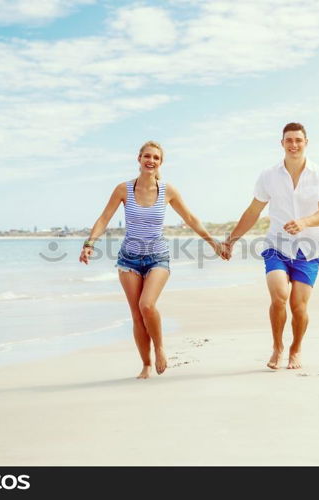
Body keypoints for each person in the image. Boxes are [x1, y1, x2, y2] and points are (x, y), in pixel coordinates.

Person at [79, 141, 225, 379]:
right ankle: (146, 365)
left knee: (147, 305)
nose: (151, 161)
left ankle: (159, 347)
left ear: (160, 163)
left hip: (158, 256)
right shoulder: (123, 189)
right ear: (139, 159)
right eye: (147, 156)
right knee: (136, 314)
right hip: (128, 259)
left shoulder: (167, 191)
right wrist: (89, 244)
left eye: (156, 158)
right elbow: (104, 218)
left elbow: (190, 218)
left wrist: (213, 242)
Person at [224, 123, 319, 370]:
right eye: (289, 140)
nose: (294, 145)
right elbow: (253, 211)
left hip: (310, 248)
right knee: (279, 297)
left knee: (299, 306)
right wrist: (231, 240)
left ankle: (296, 348)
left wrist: (305, 222)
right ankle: (277, 347)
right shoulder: (268, 175)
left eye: (298, 140)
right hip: (277, 245)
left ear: (306, 142)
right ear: (282, 143)